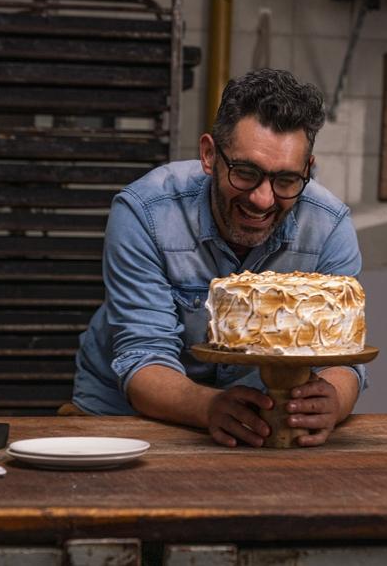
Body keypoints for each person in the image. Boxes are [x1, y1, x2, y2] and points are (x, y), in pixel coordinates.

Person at [69, 69, 366, 447]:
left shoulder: (330, 226)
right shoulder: (145, 213)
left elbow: (343, 357)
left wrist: (334, 400)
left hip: (260, 419)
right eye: (245, 173)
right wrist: (208, 407)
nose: (263, 199)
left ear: (307, 170)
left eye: (287, 180)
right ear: (209, 155)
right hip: (123, 412)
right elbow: (143, 356)